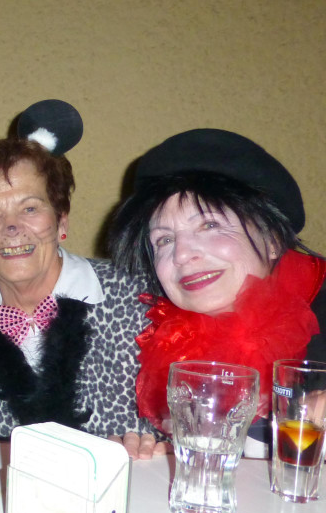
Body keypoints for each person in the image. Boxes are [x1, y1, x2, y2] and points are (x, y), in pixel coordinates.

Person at [0, 101, 161, 456]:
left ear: (61, 220)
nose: (12, 227)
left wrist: (160, 451)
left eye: (30, 208)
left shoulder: (143, 303)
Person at [108, 128, 326, 455]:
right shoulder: (161, 341)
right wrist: (159, 457)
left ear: (272, 240)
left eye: (209, 226)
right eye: (164, 240)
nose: (182, 255)